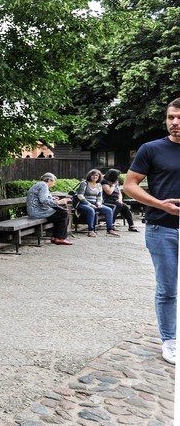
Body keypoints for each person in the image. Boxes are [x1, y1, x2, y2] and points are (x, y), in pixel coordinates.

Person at [123, 97, 180, 365]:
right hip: (162, 228)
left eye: (179, 118)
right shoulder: (151, 149)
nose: (175, 123)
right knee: (168, 288)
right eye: (171, 117)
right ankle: (169, 340)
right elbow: (130, 186)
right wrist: (160, 204)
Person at [26, 173, 73, 245]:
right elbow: (43, 200)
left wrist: (52, 198)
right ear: (50, 180)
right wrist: (59, 202)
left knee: (61, 213)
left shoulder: (39, 184)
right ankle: (60, 238)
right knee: (63, 214)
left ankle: (55, 237)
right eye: (54, 181)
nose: (54, 184)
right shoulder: (44, 185)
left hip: (35, 211)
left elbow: (41, 197)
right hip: (38, 212)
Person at [75, 169, 119, 237]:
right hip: (83, 203)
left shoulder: (99, 185)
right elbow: (80, 195)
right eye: (92, 175)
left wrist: (99, 203)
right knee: (91, 210)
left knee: (109, 210)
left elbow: (99, 196)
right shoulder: (84, 183)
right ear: (90, 175)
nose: (94, 177)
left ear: (99, 177)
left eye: (96, 175)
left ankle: (110, 229)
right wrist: (89, 204)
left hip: (95, 202)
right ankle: (91, 230)